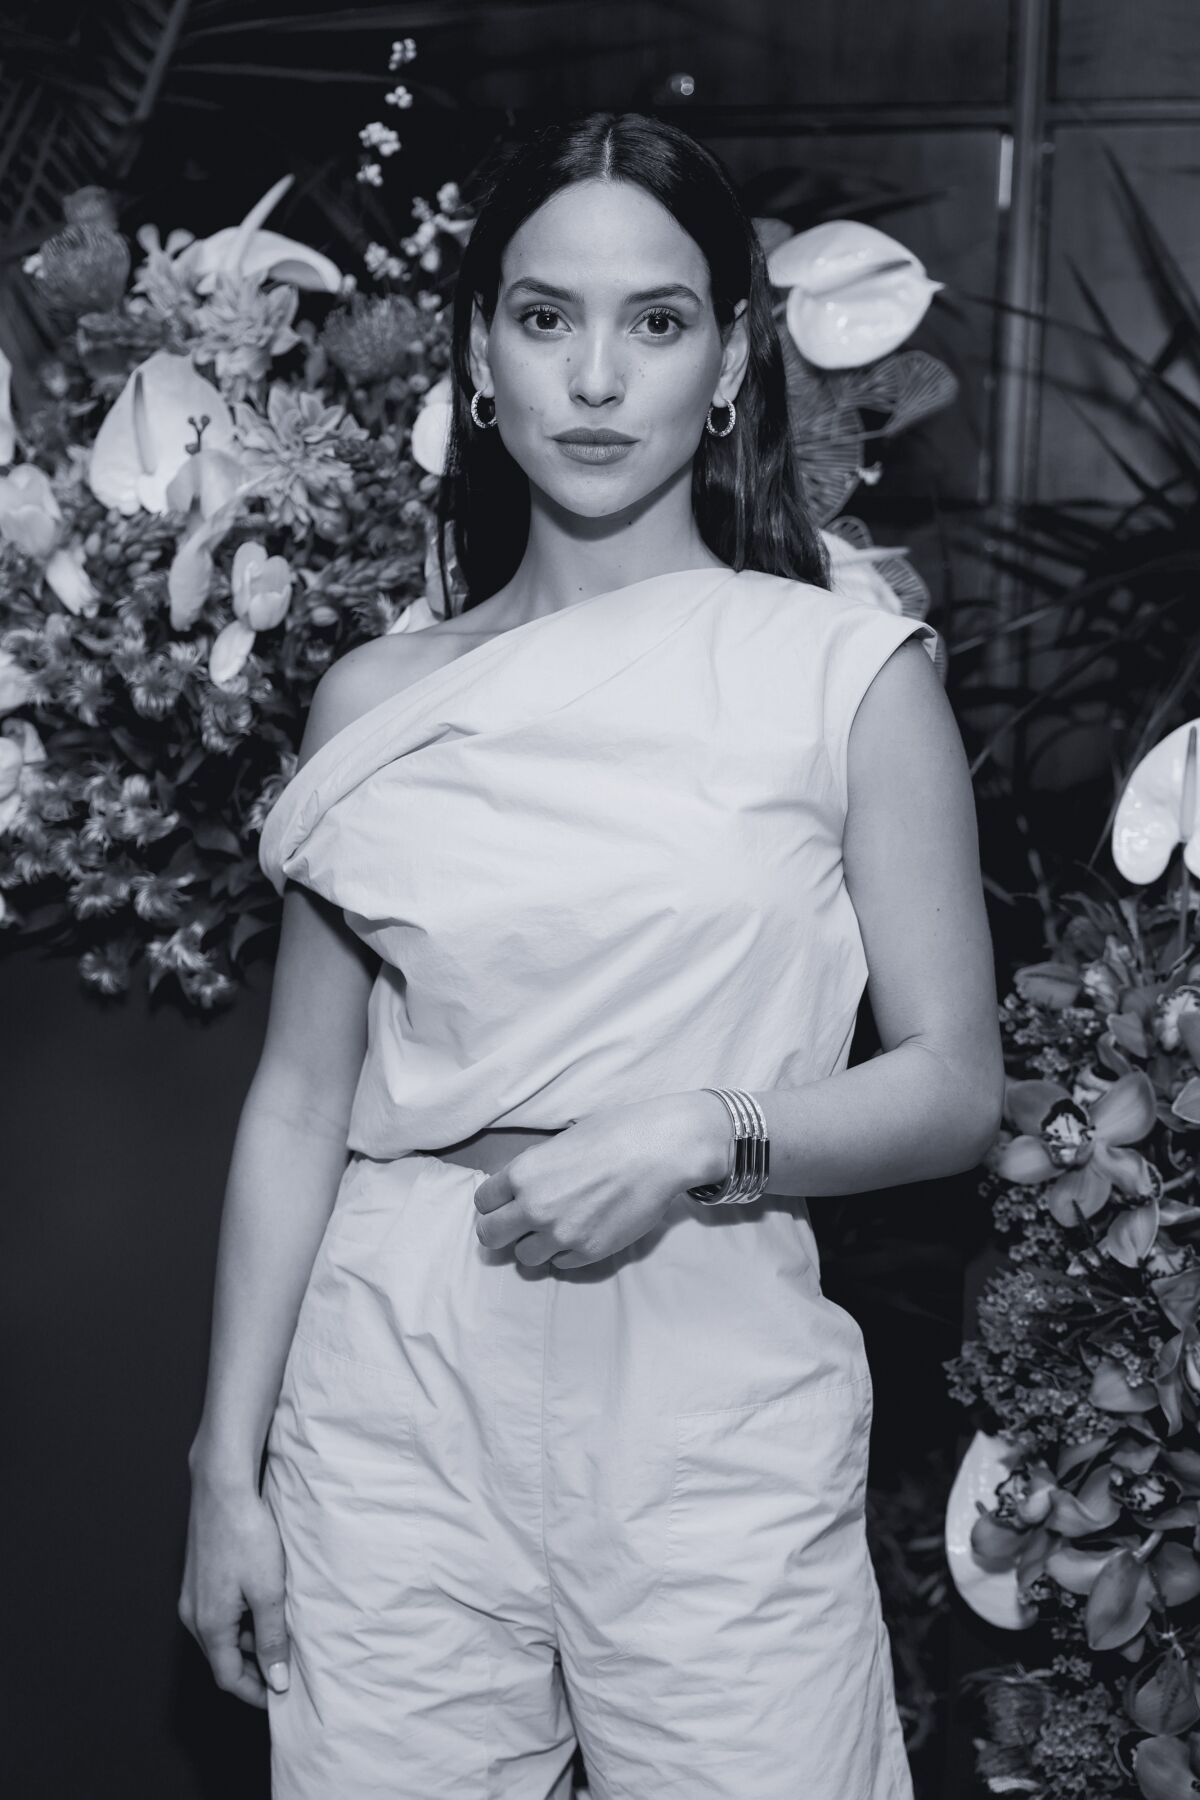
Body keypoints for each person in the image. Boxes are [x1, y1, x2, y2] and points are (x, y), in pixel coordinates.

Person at [179, 109, 1004, 1800]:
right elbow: (297, 1105)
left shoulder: (846, 677)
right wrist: (225, 1466)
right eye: (548, 318)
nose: (599, 376)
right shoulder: (377, 700)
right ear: (482, 351)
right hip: (393, 1361)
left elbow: (955, 1087)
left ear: (732, 359)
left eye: (658, 319)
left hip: (706, 1356)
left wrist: (713, 1126)